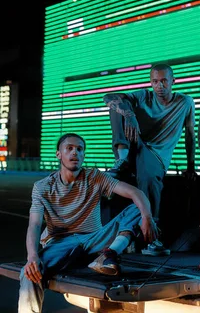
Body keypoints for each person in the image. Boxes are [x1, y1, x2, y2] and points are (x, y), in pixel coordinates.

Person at [19, 133, 158, 313]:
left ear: (83, 155)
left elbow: (135, 193)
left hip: (94, 241)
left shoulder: (94, 177)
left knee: (137, 208)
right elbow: (35, 225)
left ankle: (108, 255)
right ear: (58, 154)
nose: (74, 153)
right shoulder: (43, 186)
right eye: (69, 148)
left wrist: (147, 217)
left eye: (79, 149)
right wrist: (32, 256)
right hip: (60, 243)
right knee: (29, 273)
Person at [103, 63, 196, 256]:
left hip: (156, 155)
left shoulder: (185, 102)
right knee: (117, 104)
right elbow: (108, 97)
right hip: (135, 147)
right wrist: (128, 114)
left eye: (163, 81)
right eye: (155, 81)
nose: (159, 86)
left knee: (148, 179)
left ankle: (152, 236)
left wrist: (191, 167)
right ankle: (122, 159)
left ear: (173, 81)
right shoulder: (144, 96)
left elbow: (190, 136)